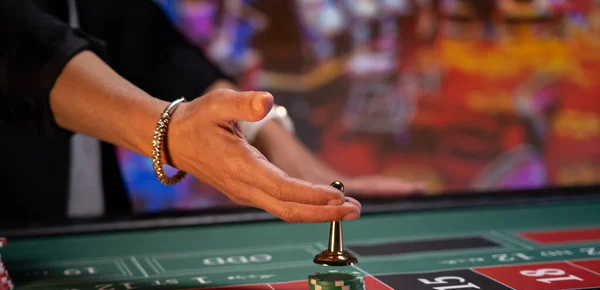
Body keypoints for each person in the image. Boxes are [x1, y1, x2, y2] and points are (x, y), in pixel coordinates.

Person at [0, 0, 423, 226]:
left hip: (91, 224)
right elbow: (18, 39)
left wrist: (265, 135)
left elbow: (148, 44)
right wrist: (171, 133)